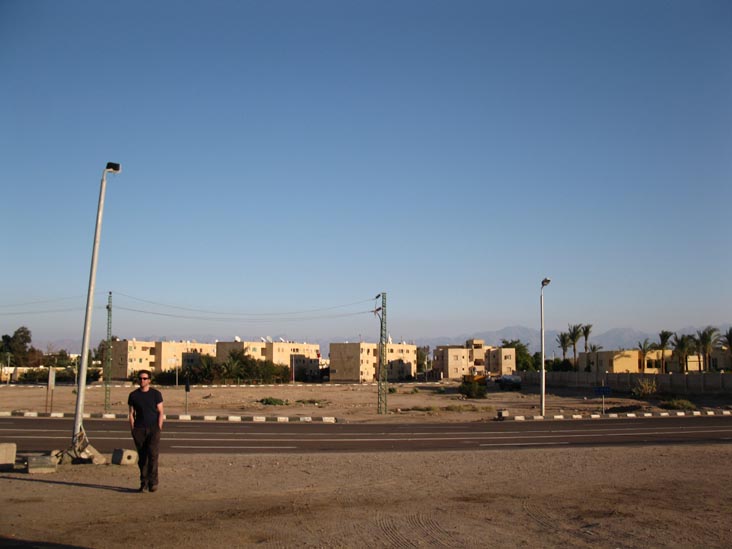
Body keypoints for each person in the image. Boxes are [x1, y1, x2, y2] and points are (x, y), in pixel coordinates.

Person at [128, 370, 164, 492]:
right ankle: (144, 482)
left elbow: (160, 412)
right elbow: (131, 413)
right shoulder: (133, 395)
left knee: (153, 455)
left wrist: (159, 427)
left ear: (149, 380)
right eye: (140, 378)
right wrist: (133, 429)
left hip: (153, 429)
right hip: (139, 429)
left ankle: (153, 483)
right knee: (143, 458)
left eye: (144, 378)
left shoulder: (156, 394)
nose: (142, 381)